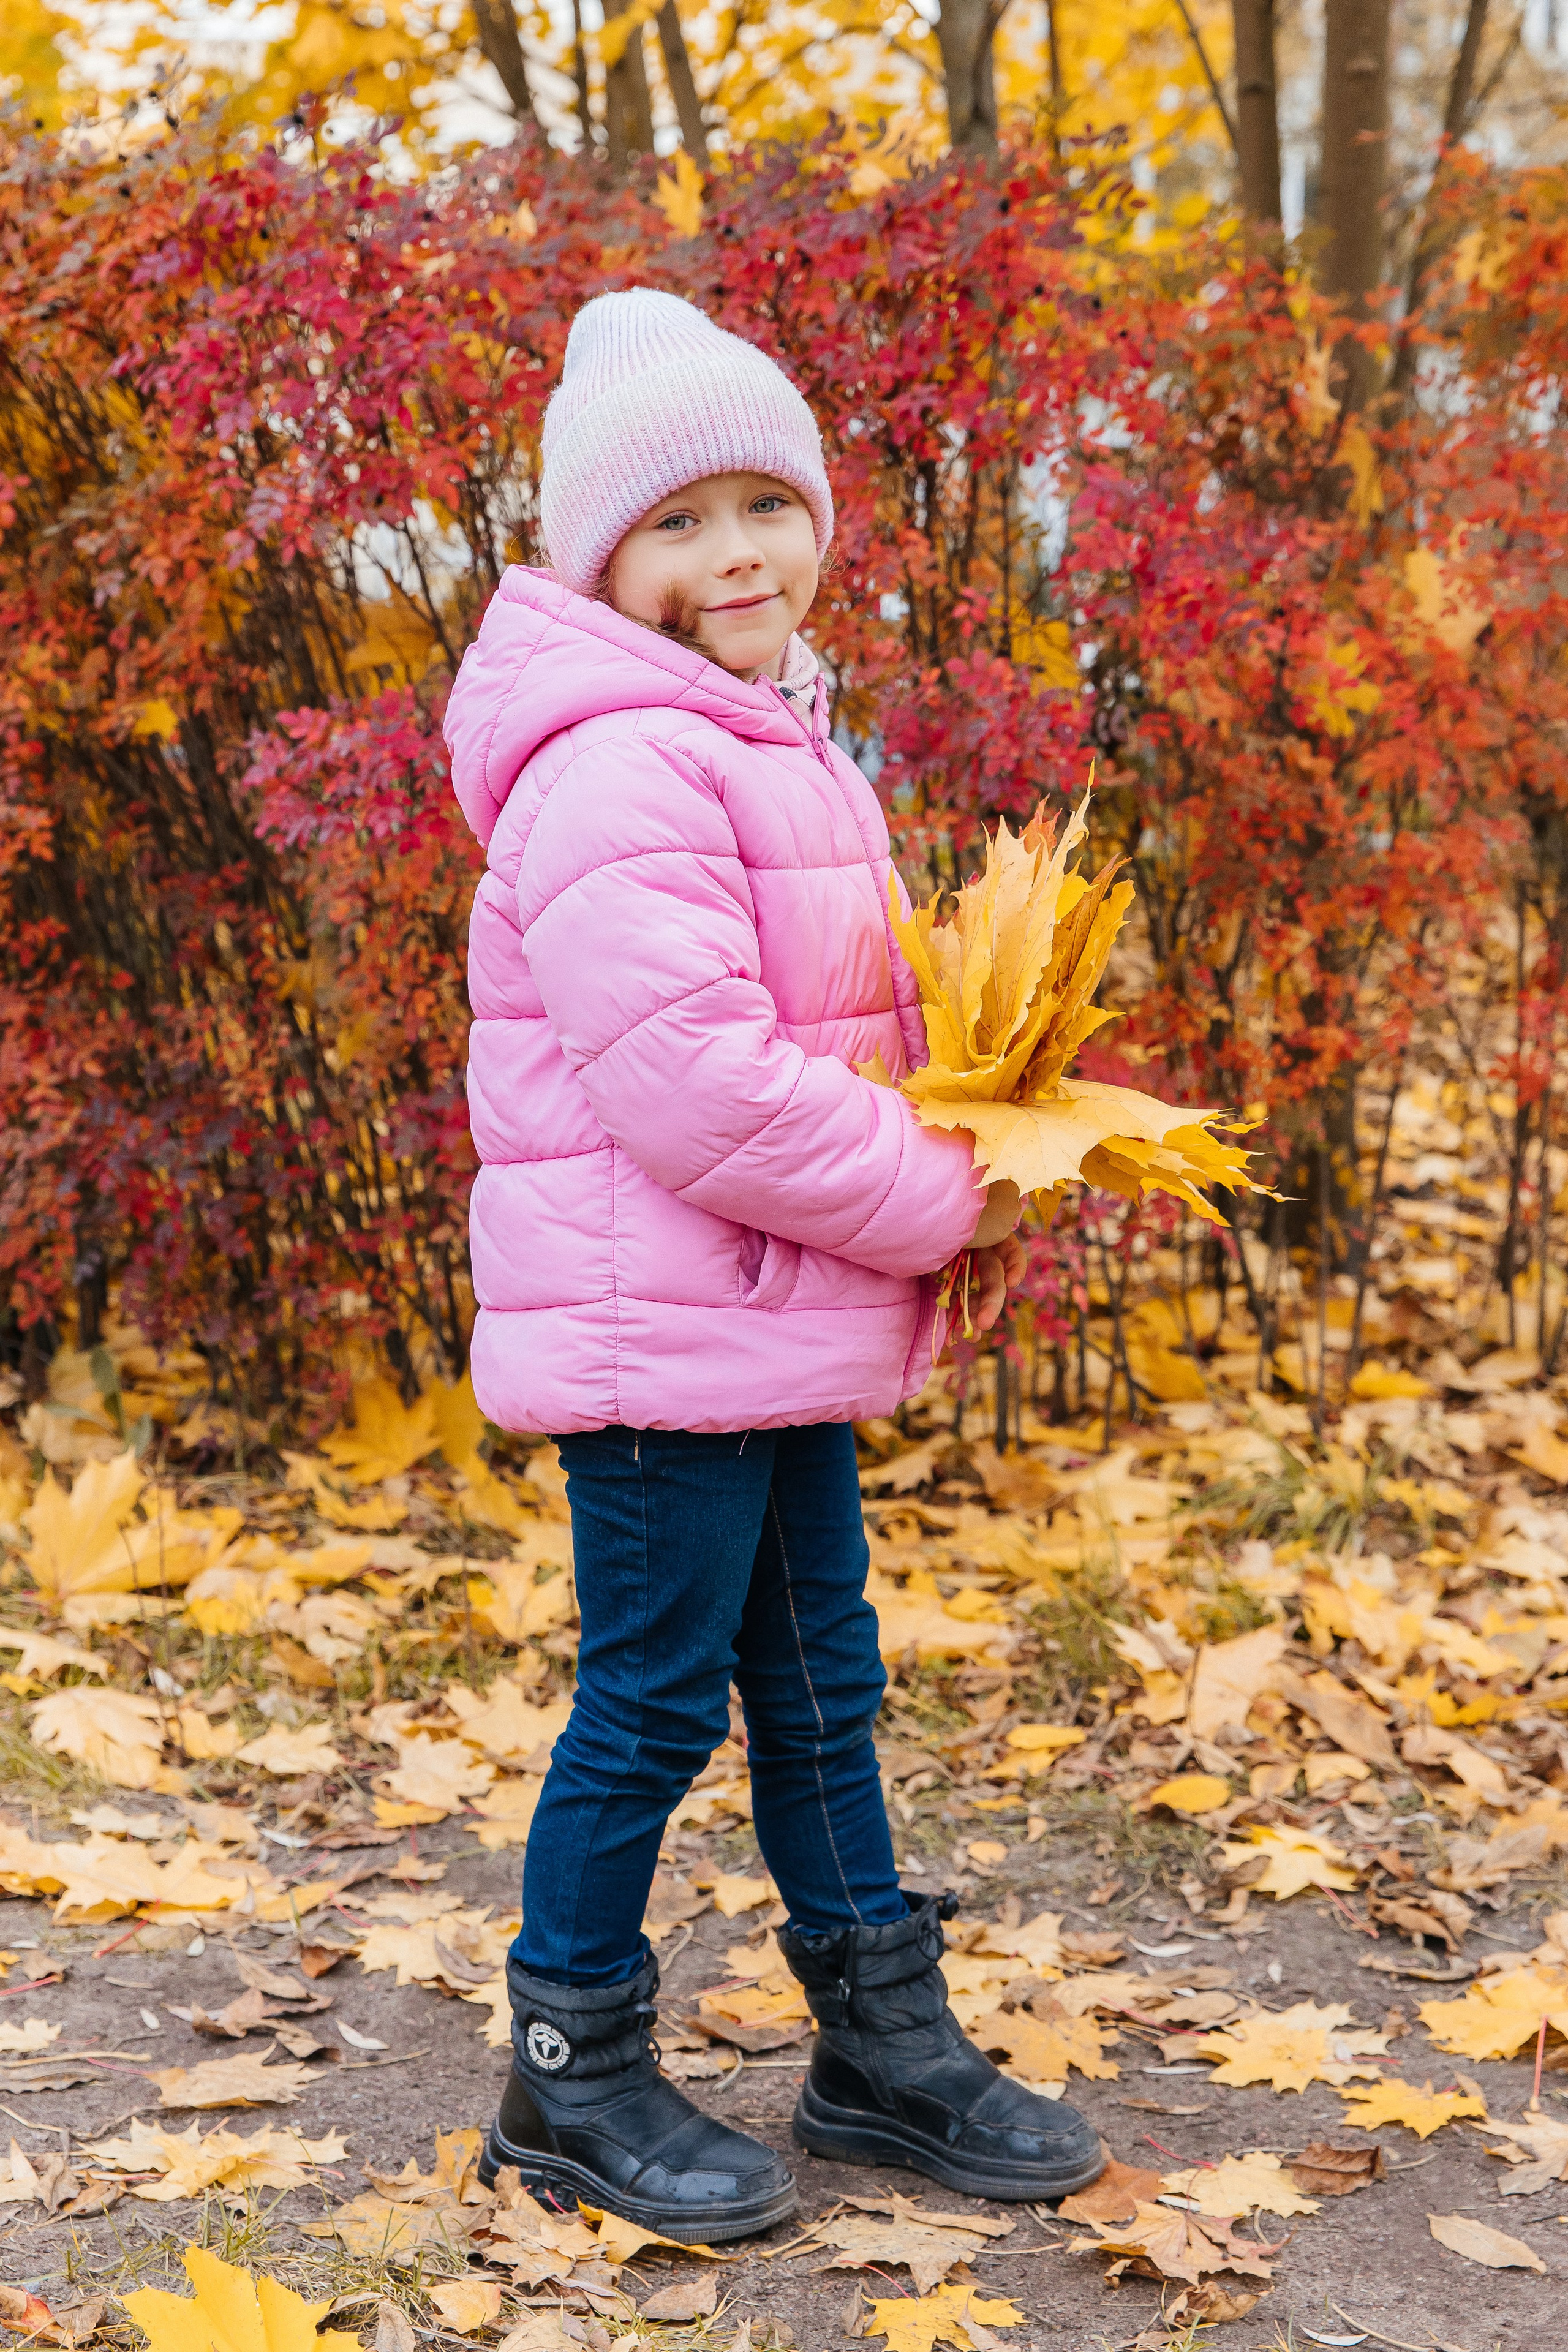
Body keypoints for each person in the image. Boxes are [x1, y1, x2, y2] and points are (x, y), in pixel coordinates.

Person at [443, 288, 1104, 2244]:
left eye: (768, 504)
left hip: (767, 1316)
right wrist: (935, 1200)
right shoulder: (620, 764)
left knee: (824, 1690)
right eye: (680, 523)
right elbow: (698, 1088)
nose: (738, 552)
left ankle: (878, 2051)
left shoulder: (770, 735)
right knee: (652, 1699)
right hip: (666, 1332)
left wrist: (992, 1109)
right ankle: (565, 2073)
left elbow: (834, 1033)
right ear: (604, 557)